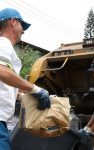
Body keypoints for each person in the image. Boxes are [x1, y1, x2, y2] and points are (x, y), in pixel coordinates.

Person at [0, 8, 50, 150]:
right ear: (13, 22)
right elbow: (2, 71)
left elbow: (4, 86)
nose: (24, 31)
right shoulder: (3, 43)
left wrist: (24, 97)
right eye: (22, 25)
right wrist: (35, 89)